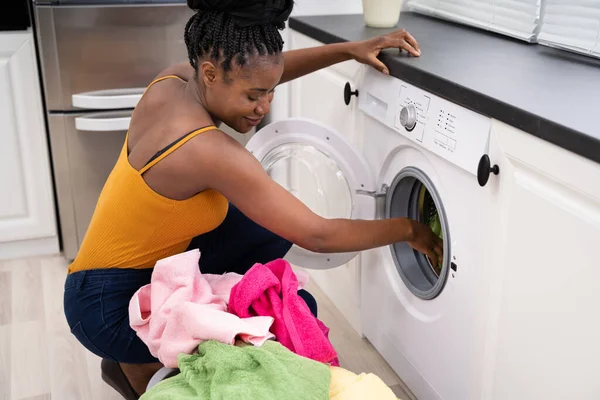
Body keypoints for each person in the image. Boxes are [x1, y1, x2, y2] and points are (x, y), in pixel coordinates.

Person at [63, 0, 442, 397]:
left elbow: (258, 69)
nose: (264, 107)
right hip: (105, 308)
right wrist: (408, 228)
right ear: (210, 73)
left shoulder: (173, 81)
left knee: (263, 228)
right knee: (280, 317)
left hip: (98, 280)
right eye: (254, 97)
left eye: (271, 92)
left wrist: (346, 49)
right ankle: (136, 361)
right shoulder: (206, 150)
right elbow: (319, 236)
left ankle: (138, 358)